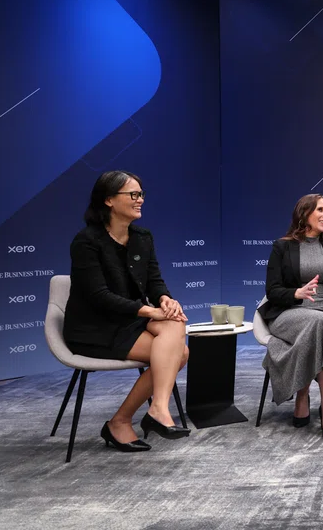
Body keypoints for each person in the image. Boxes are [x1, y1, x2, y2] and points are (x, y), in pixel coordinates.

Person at [63, 171, 190, 453]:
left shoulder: (142, 237)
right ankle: (127, 419)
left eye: (141, 194)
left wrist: (165, 299)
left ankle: (151, 410)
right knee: (179, 352)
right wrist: (148, 311)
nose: (140, 200)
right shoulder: (86, 241)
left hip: (129, 321)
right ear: (108, 200)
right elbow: (98, 297)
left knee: (174, 323)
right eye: (133, 194)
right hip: (94, 327)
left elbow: (154, 280)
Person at [258, 194, 323, 441]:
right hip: (290, 313)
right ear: (304, 214)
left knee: (321, 323)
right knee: (318, 324)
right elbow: (272, 290)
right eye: (320, 210)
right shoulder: (282, 247)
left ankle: (303, 395)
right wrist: (296, 293)